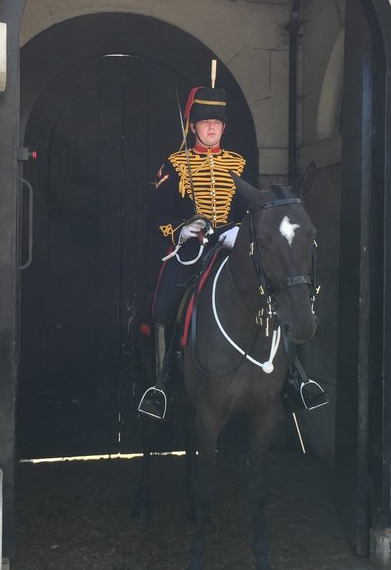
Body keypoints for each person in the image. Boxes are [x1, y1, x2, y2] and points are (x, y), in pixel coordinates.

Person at [138, 83, 327, 421]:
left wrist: (240, 230)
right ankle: (161, 386)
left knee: (276, 293)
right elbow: (155, 216)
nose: (211, 128)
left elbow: (253, 207)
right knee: (163, 305)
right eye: (205, 123)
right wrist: (182, 229)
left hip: (233, 243)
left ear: (223, 128)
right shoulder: (174, 164)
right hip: (190, 249)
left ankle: (294, 378)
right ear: (193, 126)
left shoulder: (238, 163)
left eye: (217, 124)